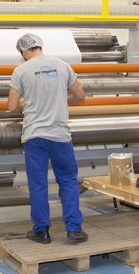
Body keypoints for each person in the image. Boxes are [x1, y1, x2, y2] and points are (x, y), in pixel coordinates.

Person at [7, 33, 88, 244]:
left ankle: (41, 231)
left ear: (24, 51)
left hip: (34, 136)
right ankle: (74, 229)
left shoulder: (21, 70)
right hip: (60, 135)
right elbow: (80, 96)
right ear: (39, 46)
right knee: (68, 181)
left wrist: (30, 102)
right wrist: (61, 100)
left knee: (38, 183)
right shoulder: (62, 66)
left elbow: (11, 106)